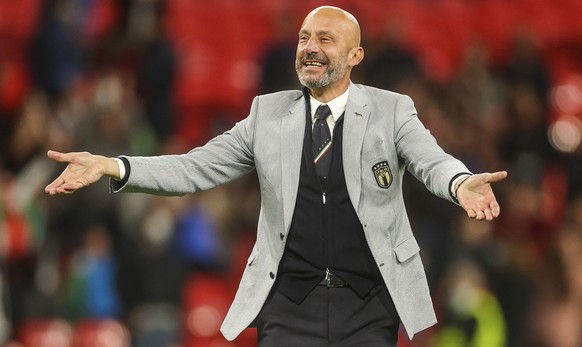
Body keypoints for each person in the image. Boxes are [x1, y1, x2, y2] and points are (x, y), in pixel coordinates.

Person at [44, 6, 507, 347]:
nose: (310, 47)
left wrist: (459, 182)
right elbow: (194, 166)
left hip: (368, 308)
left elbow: (431, 159)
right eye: (305, 37)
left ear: (355, 54)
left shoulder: (392, 110)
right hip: (288, 308)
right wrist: (114, 165)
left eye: (325, 39)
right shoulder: (266, 115)